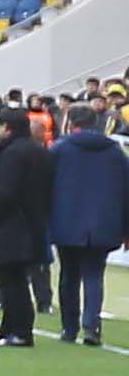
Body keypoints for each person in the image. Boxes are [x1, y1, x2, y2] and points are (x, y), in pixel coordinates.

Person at [48, 97, 123, 349]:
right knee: (94, 275)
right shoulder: (114, 151)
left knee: (69, 275)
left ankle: (69, 327)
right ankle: (92, 325)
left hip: (67, 220)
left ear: (71, 122)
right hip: (104, 222)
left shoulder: (60, 149)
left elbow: (45, 185)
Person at [0, 101, 57, 350]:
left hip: (13, 224)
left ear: (8, 128)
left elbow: (6, 193)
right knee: (13, 278)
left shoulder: (13, 154)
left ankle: (21, 331)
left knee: (13, 280)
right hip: (33, 222)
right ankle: (8, 328)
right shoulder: (39, 151)